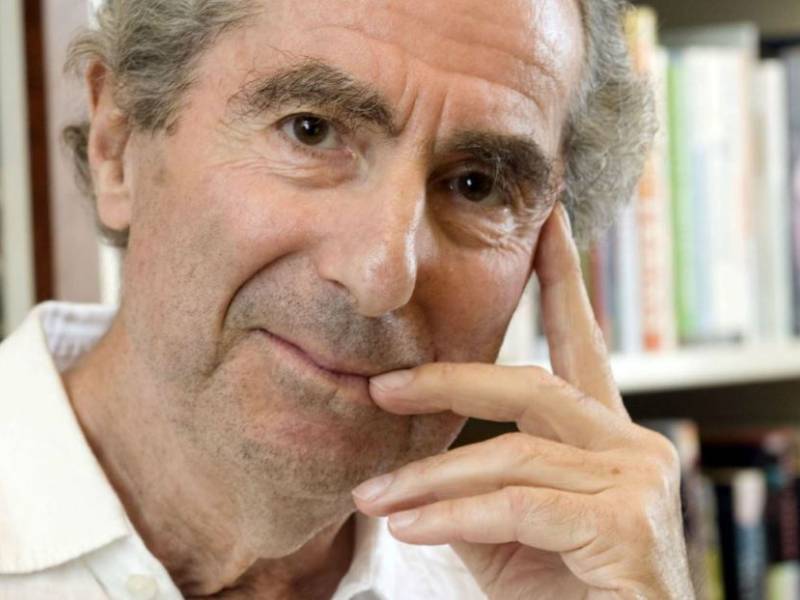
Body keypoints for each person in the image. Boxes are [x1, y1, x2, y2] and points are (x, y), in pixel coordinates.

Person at [0, 0, 693, 598]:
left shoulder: (544, 582)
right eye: (312, 130)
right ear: (117, 143)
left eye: (476, 185)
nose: (381, 276)